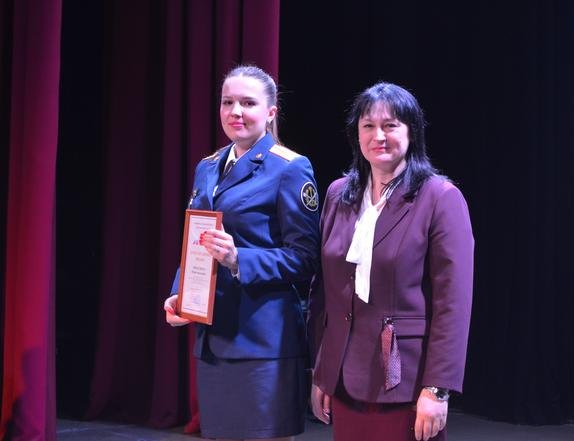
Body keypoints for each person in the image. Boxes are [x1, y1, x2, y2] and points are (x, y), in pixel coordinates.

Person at [308, 82, 474, 441]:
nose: (378, 136)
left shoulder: (440, 198)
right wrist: (322, 373)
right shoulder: (339, 194)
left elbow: (453, 304)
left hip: (405, 381)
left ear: (411, 132)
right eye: (368, 125)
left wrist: (437, 388)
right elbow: (326, 292)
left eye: (390, 125)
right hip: (345, 376)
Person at [164, 64, 320, 441]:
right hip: (215, 338)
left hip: (263, 342)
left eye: (248, 103)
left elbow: (305, 258)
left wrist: (240, 260)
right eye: (227, 102)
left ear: (271, 112)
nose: (235, 111)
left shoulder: (290, 168)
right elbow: (197, 240)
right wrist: (181, 293)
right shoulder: (208, 167)